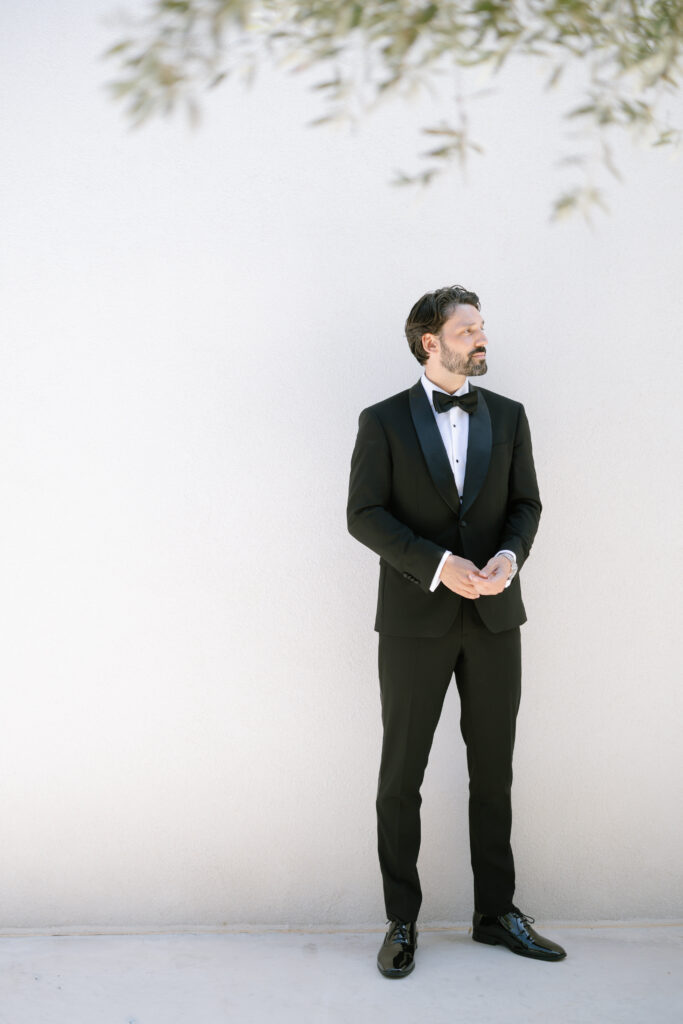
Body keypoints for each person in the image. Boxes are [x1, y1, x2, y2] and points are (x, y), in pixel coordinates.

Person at [346, 285, 566, 977]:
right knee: (399, 776)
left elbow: (525, 503)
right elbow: (364, 514)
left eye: (481, 327)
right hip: (415, 619)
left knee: (492, 771)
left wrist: (508, 556)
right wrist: (438, 565)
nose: (481, 338)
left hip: (497, 618)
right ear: (428, 342)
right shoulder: (382, 420)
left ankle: (495, 914)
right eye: (467, 328)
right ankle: (402, 921)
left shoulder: (508, 415)